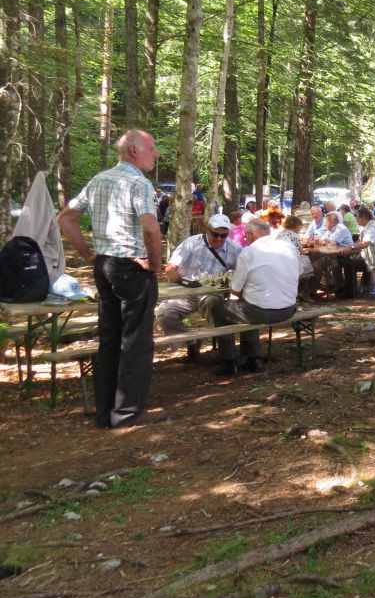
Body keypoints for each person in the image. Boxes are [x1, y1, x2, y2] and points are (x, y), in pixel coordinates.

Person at [58, 130, 164, 429]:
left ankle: (106, 412)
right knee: (136, 341)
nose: (156, 154)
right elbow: (151, 228)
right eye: (152, 149)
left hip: (105, 265)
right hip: (131, 267)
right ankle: (127, 412)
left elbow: (65, 218)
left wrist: (90, 256)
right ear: (134, 151)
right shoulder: (139, 183)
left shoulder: (99, 180)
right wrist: (155, 263)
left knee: (110, 338)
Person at [205, 218, 299, 375]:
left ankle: (230, 361)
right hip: (289, 309)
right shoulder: (289, 247)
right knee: (247, 305)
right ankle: (254, 358)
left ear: (250, 234)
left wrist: (232, 301)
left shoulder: (248, 252)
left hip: (262, 313)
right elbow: (299, 272)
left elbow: (235, 291)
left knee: (218, 307)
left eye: (245, 236)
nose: (245, 239)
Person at [156, 213, 242, 361]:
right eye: (215, 234)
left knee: (215, 306)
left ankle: (228, 357)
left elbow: (243, 274)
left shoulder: (235, 249)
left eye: (223, 235)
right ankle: (192, 342)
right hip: (186, 293)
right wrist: (183, 281)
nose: (219, 239)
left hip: (212, 294)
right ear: (207, 230)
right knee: (164, 314)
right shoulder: (192, 243)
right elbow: (170, 270)